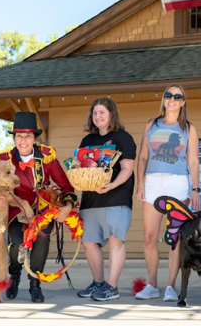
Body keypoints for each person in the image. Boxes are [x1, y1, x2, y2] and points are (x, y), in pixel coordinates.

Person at [0, 112, 76, 303]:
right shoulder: (4, 159)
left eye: (28, 136)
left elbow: (66, 186)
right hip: (13, 212)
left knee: (42, 238)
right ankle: (15, 273)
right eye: (19, 135)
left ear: (34, 138)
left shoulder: (46, 158)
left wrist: (67, 207)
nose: (23, 140)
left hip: (42, 212)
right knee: (18, 243)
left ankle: (35, 283)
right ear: (14, 138)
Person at [134, 84, 201, 301]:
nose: (171, 99)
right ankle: (152, 284)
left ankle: (171, 285)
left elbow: (192, 160)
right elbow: (143, 156)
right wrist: (140, 184)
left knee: (175, 237)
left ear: (183, 102)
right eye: (168, 95)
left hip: (178, 183)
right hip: (153, 182)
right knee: (149, 236)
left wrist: (195, 189)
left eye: (177, 96)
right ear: (163, 99)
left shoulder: (188, 128)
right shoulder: (151, 124)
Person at [75, 98, 137, 301]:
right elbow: (79, 166)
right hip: (90, 200)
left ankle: (112, 287)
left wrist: (112, 185)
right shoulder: (87, 141)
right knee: (89, 242)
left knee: (115, 240)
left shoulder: (123, 137)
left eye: (102, 112)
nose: (98, 116)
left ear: (111, 114)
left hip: (116, 198)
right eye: (95, 113)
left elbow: (128, 169)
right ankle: (99, 283)